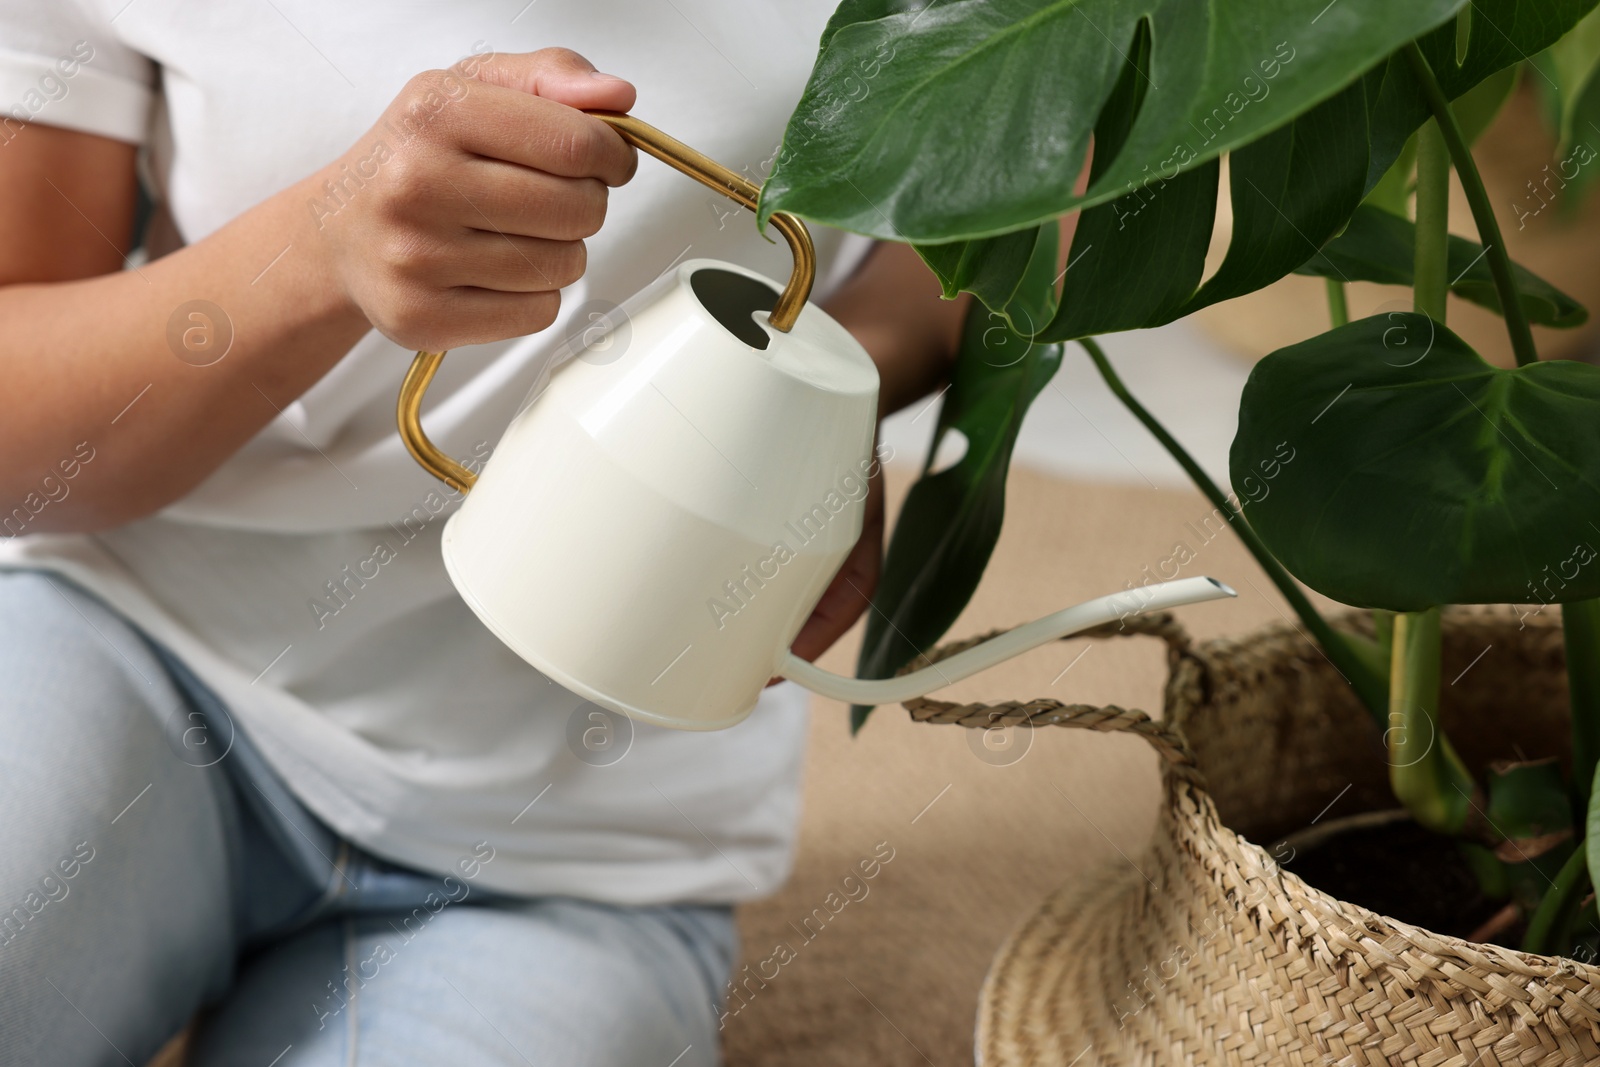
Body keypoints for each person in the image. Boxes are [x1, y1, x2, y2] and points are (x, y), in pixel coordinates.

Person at [0, 3, 965, 1065]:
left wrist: (840, 381)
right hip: (129, 642)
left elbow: (1064, 164)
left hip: (573, 829)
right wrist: (320, 251)